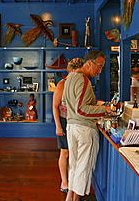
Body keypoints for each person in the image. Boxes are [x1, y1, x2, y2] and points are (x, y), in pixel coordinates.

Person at [62, 50, 111, 201]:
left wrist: (93, 105)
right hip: (84, 130)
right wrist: (106, 110)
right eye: (99, 66)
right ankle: (75, 199)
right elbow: (82, 109)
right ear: (90, 63)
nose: (100, 70)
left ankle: (70, 198)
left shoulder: (69, 78)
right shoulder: (83, 80)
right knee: (83, 168)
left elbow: (65, 105)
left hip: (71, 127)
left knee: (74, 166)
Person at [52, 58, 84, 193]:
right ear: (72, 70)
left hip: (76, 121)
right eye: (78, 72)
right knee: (65, 152)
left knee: (74, 153)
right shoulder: (62, 84)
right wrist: (58, 126)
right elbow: (55, 106)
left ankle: (73, 181)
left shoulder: (79, 83)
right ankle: (64, 182)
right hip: (64, 121)